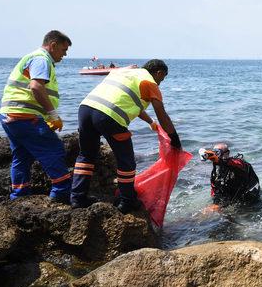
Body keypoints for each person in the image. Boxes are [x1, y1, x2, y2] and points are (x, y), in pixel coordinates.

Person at [71, 59, 182, 213]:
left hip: (85, 109)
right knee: (126, 162)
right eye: (162, 79)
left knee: (86, 156)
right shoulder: (150, 83)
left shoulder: (125, 72)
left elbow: (130, 103)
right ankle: (127, 201)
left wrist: (150, 122)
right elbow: (162, 114)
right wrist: (174, 138)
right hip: (108, 116)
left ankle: (77, 198)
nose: (160, 83)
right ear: (159, 73)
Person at [0, 30, 72, 203]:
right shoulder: (41, 59)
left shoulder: (35, 57)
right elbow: (36, 87)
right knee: (54, 150)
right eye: (63, 49)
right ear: (53, 45)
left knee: (22, 155)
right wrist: (52, 114)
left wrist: (45, 116)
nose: (65, 55)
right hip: (24, 116)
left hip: (10, 115)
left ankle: (19, 195)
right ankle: (61, 194)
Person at [199, 143, 261, 208]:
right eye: (214, 153)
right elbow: (215, 189)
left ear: (227, 153)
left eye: (218, 152)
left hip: (250, 199)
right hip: (233, 197)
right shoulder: (216, 171)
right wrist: (216, 203)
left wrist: (219, 161)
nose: (216, 156)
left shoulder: (238, 163)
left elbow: (235, 164)